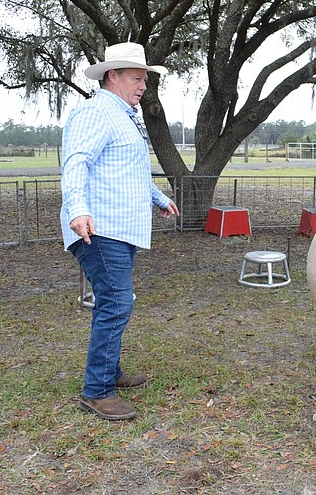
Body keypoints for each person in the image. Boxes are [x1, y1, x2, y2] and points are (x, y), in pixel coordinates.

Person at [60, 42, 179, 420]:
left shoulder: (124, 116)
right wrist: (78, 209)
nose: (143, 86)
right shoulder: (95, 112)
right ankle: (96, 391)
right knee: (117, 302)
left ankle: (109, 372)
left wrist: (159, 198)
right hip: (99, 228)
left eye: (145, 79)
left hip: (119, 228)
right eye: (136, 78)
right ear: (113, 76)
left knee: (115, 301)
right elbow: (76, 162)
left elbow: (128, 172)